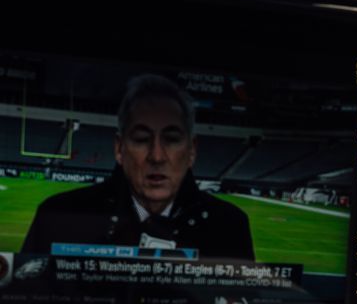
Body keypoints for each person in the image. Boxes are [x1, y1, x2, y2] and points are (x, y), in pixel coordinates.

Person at [21, 76, 254, 259]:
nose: (157, 156)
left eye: (171, 139)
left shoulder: (229, 226)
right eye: (142, 139)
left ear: (192, 150)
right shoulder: (58, 216)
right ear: (119, 149)